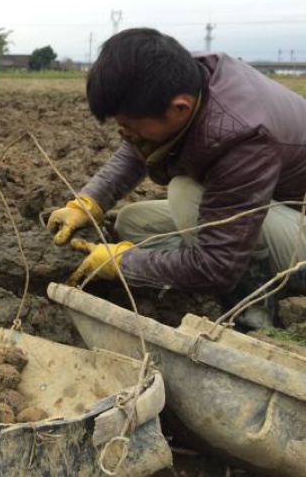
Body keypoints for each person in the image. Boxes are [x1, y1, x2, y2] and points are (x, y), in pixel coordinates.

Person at [48, 28, 306, 301]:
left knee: (185, 192)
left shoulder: (244, 136)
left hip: (299, 232)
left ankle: (257, 304)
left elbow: (218, 266)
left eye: (129, 126)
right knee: (133, 222)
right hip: (261, 210)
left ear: (179, 109)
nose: (125, 134)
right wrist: (89, 202)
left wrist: (123, 264)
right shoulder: (180, 78)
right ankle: (192, 265)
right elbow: (138, 146)